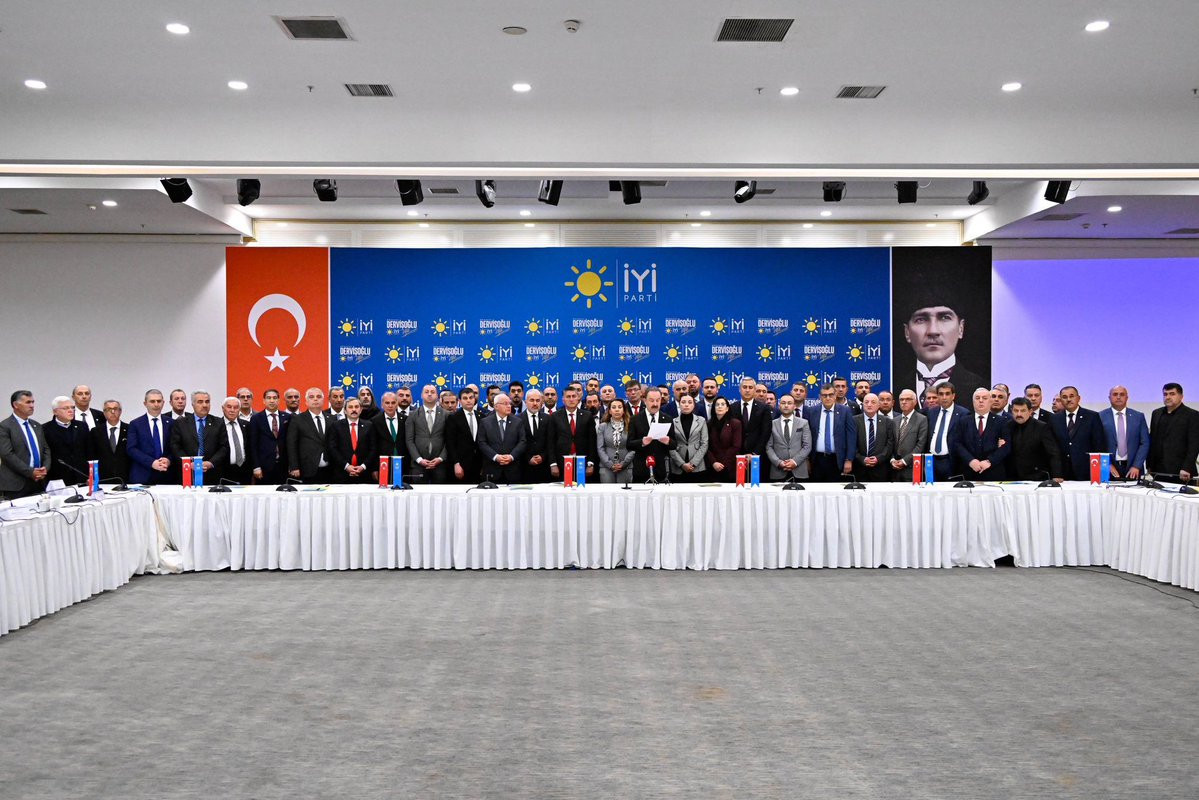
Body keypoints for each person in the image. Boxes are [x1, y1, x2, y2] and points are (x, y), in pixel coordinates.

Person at [903, 297, 984, 409]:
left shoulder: (982, 388)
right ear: (907, 332)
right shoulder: (894, 387)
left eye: (945, 317)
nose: (933, 331)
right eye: (921, 319)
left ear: (961, 328)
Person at [952, 387, 1010, 481]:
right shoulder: (963, 421)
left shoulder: (1002, 422)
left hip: (994, 472)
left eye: (985, 398)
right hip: (969, 472)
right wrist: (970, 460)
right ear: (973, 401)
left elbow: (1006, 446)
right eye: (977, 398)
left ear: (990, 401)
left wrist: (989, 461)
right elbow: (957, 444)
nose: (981, 401)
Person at [0, 390, 50, 499]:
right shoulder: (5, 426)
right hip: (16, 484)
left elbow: (46, 450)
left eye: (33, 402)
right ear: (15, 405)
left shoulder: (36, 426)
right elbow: (7, 454)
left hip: (39, 482)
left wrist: (45, 468)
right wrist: (30, 472)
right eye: (28, 402)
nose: (32, 405)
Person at [1050, 386, 1107, 482]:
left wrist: (1099, 473)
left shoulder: (1092, 416)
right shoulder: (1054, 419)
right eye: (1064, 397)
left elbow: (1099, 445)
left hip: (1086, 471)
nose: (1068, 399)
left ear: (1078, 398)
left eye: (1071, 396)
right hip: (1063, 473)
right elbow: (1053, 447)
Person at [169, 391, 228, 481]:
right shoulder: (181, 423)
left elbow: (224, 447)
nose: (204, 405)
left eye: (207, 402)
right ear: (193, 404)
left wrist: (211, 463)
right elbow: (175, 446)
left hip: (212, 474)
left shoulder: (218, 422)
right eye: (200, 402)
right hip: (187, 473)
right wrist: (189, 463)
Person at [802, 383, 857, 481]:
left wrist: (849, 459)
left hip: (837, 459)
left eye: (831, 395)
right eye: (824, 395)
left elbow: (851, 437)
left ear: (835, 396)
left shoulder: (845, 411)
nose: (828, 398)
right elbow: (805, 437)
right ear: (820, 397)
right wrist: (806, 460)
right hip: (817, 460)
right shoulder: (811, 411)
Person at [1147, 382, 1199, 484]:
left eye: (1172, 394)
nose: (1168, 397)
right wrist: (1149, 464)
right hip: (1157, 470)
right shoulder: (1156, 413)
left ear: (1181, 396)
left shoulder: (1192, 415)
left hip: (1181, 472)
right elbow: (1152, 439)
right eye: (1165, 394)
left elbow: (1194, 445)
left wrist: (1187, 467)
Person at [1005, 397, 1064, 482]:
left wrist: (1057, 474)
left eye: (1023, 411)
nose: (1019, 414)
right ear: (1011, 411)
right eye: (1016, 410)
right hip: (1011, 477)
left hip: (1037, 476)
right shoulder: (1007, 426)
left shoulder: (1041, 427)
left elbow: (1053, 453)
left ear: (1030, 412)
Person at [1099, 385, 1150, 481]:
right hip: (1109, 469)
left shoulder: (1138, 416)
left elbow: (1145, 443)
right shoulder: (1100, 416)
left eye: (1122, 394)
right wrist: (1106, 464)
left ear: (1127, 398)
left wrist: (1136, 465)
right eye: (1115, 394)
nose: (1118, 397)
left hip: (1133, 469)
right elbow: (1097, 444)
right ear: (1109, 397)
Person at [923, 382, 970, 482]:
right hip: (931, 461)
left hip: (951, 461)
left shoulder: (963, 413)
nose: (944, 397)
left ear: (953, 396)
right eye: (941, 394)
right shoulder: (932, 412)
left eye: (947, 394)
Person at [126, 389, 174, 485]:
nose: (156, 404)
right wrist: (152, 462)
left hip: (167, 476)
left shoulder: (171, 423)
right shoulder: (135, 424)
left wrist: (169, 460)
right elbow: (131, 449)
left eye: (159, 401)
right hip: (143, 475)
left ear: (163, 403)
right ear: (145, 403)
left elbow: (175, 447)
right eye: (152, 401)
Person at [549, 384, 596, 481]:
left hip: (582, 462)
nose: (571, 399)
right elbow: (550, 442)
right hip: (562, 462)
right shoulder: (555, 416)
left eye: (574, 396)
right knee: (565, 489)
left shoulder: (587, 416)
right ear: (563, 399)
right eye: (568, 397)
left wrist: (590, 463)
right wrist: (553, 464)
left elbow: (592, 442)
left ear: (578, 398)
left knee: (581, 487)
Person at [287, 387, 334, 483]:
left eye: (319, 397)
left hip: (331, 469)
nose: (315, 399)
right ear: (306, 401)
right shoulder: (297, 419)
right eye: (311, 397)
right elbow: (291, 444)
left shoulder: (332, 419)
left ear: (323, 400)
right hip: (307, 468)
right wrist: (294, 466)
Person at [476, 393, 526, 484]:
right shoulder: (485, 422)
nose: (509, 406)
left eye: (509, 403)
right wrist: (496, 457)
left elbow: (522, 441)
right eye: (505, 403)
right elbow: (482, 442)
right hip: (492, 470)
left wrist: (511, 456)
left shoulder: (517, 421)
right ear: (496, 406)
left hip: (512, 471)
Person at [405, 384, 450, 483]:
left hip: (440, 465)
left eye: (432, 392)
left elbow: (449, 440)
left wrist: (441, 458)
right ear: (421, 395)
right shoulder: (412, 415)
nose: (429, 394)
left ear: (437, 396)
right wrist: (419, 459)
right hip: (418, 465)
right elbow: (409, 440)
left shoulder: (446, 415)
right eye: (426, 392)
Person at [629, 387, 674, 482]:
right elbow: (629, 444)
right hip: (641, 470)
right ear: (645, 400)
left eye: (658, 400)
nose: (655, 404)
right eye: (651, 400)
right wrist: (642, 442)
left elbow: (674, 444)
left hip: (661, 471)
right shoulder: (635, 419)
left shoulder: (667, 419)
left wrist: (668, 441)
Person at [44, 395, 91, 485]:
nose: (71, 410)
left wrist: (90, 475)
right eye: (66, 408)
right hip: (58, 478)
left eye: (72, 407)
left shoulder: (82, 426)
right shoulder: (45, 429)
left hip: (81, 476)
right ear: (55, 412)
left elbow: (89, 451)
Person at [327, 397, 376, 483]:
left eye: (356, 407)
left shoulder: (369, 426)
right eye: (350, 407)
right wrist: (346, 466)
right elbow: (333, 449)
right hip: (341, 474)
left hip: (364, 474)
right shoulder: (336, 426)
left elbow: (373, 449)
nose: (354, 410)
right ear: (345, 411)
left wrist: (363, 466)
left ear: (361, 410)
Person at [249, 388, 290, 485]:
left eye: (274, 398)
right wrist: (256, 466)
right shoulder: (256, 418)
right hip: (263, 467)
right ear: (264, 400)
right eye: (269, 398)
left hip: (283, 466)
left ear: (279, 400)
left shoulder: (287, 417)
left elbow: (290, 442)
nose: (272, 401)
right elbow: (253, 444)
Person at [766, 395, 812, 481]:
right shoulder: (771, 424)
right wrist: (779, 462)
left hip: (799, 470)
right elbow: (769, 447)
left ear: (794, 406)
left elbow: (807, 446)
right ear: (779, 405)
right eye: (783, 403)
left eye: (789, 403)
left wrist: (794, 461)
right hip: (778, 471)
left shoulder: (803, 423)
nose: (786, 405)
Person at [853, 393, 896, 482]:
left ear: (878, 405)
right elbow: (851, 443)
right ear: (862, 404)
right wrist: (862, 459)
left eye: (873, 402)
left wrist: (878, 458)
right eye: (866, 402)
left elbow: (890, 443)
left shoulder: (888, 422)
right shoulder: (854, 421)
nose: (869, 404)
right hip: (859, 469)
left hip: (881, 469)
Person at [889, 389, 929, 482]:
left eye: (907, 399)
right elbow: (890, 443)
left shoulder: (922, 420)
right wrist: (892, 460)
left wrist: (904, 461)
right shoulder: (895, 420)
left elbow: (921, 445)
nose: (904, 402)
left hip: (912, 468)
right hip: (894, 469)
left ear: (915, 402)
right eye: (901, 399)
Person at [445, 386, 483, 484]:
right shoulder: (453, 417)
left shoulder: (481, 416)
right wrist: (456, 463)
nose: (468, 400)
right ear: (460, 401)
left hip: (478, 465)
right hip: (461, 465)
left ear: (475, 399)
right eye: (465, 398)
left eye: (471, 397)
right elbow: (450, 443)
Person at [89, 399, 130, 483]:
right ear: (104, 412)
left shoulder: (129, 429)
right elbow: (92, 455)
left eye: (115, 409)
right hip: (103, 478)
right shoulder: (95, 431)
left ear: (120, 411)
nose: (112, 412)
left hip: (126, 477)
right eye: (108, 409)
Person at [669, 394, 708, 482]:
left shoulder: (701, 421)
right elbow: (670, 446)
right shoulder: (673, 422)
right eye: (683, 402)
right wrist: (682, 464)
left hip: (697, 466)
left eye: (690, 402)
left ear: (694, 405)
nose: (686, 405)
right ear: (679, 404)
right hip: (678, 466)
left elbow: (704, 443)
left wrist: (693, 463)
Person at [595, 398, 634, 484]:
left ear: (623, 411)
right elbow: (600, 448)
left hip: (626, 467)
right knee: (608, 492)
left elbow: (633, 448)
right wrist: (610, 464)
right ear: (609, 411)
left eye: (620, 407)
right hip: (606, 467)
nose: (617, 410)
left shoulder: (631, 426)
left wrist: (624, 463)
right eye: (614, 407)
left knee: (624, 492)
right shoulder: (603, 427)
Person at [216, 396, 252, 485]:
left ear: (239, 409)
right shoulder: (216, 426)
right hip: (223, 471)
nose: (232, 410)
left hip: (245, 471)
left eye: (235, 407)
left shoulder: (247, 425)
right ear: (223, 408)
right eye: (229, 407)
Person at [705, 397, 743, 482]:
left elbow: (736, 446)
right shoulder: (708, 424)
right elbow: (706, 446)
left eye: (722, 404)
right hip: (713, 467)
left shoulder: (735, 423)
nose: (720, 406)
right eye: (717, 405)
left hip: (730, 466)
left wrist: (722, 462)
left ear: (727, 408)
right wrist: (714, 462)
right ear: (713, 408)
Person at [734, 376, 772, 456]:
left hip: (757, 454)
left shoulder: (764, 408)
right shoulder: (732, 407)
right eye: (744, 387)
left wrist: (755, 453)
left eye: (750, 387)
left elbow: (766, 433)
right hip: (737, 454)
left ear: (754, 390)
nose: (747, 390)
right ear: (739, 389)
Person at [370, 391, 405, 479]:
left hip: (403, 464)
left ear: (397, 404)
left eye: (393, 403)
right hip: (383, 464)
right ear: (382, 405)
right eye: (387, 403)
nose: (390, 406)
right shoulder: (374, 421)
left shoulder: (405, 420)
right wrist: (374, 468)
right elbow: (373, 446)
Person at [520, 388, 551, 483]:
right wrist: (528, 458)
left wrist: (543, 456)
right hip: (523, 468)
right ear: (526, 402)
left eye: (538, 400)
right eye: (532, 400)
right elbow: (516, 443)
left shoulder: (548, 419)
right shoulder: (517, 420)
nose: (535, 403)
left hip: (544, 467)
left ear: (541, 402)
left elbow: (550, 441)